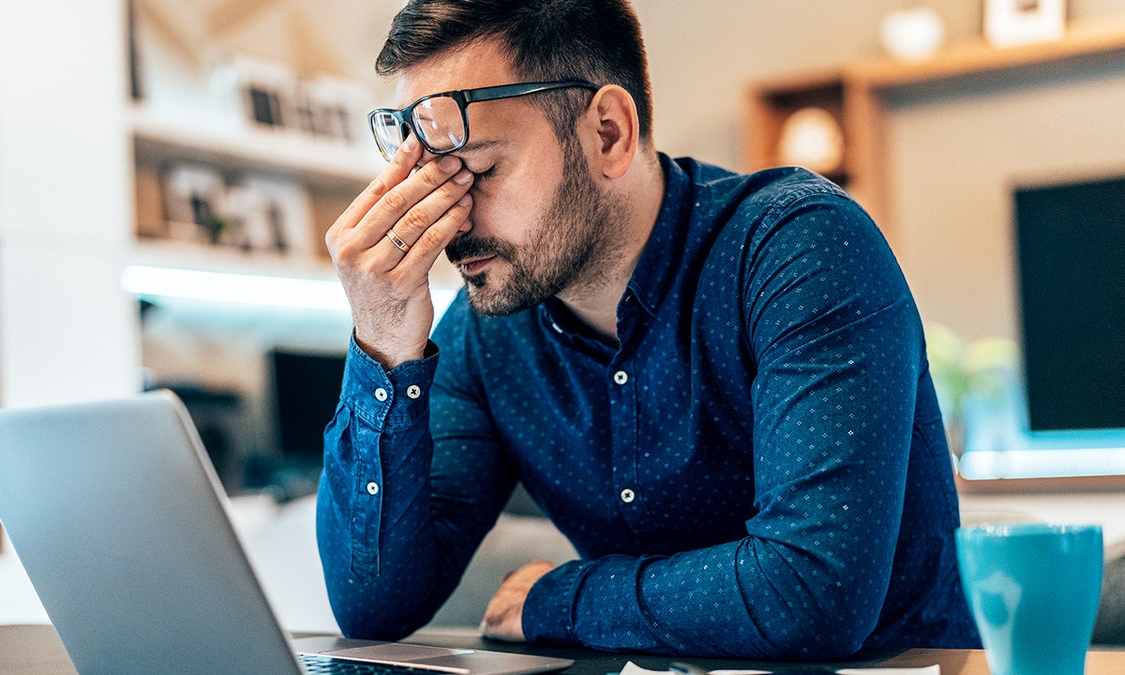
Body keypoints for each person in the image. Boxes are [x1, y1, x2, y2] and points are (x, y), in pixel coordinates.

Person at [317, 0, 979, 659]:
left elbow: (810, 593)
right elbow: (374, 606)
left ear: (608, 131)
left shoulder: (802, 249)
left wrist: (564, 596)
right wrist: (382, 343)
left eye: (481, 170)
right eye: (432, 180)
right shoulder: (490, 332)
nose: (452, 221)